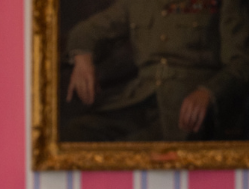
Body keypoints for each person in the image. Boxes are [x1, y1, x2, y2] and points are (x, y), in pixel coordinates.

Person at [64, 0, 249, 142]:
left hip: (188, 110)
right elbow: (87, 31)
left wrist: (208, 92)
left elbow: (241, 62)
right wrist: (82, 59)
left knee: (132, 150)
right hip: (138, 102)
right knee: (75, 133)